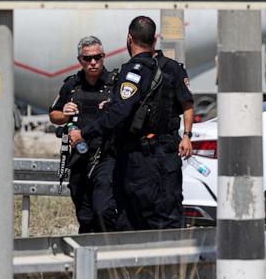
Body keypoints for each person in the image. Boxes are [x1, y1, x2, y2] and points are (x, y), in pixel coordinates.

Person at [69, 16, 195, 230]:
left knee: (133, 219)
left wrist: (84, 133)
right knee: (166, 217)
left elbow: (120, 113)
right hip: (163, 156)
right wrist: (186, 135)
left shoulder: (133, 71)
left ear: (129, 38)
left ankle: (136, 262)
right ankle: (172, 262)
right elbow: (186, 104)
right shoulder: (171, 68)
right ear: (155, 39)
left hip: (140, 158)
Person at [48, 36, 125, 233]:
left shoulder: (115, 84)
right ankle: (85, 258)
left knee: (103, 210)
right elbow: (53, 115)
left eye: (97, 57)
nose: (93, 62)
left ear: (104, 57)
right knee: (85, 216)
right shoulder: (72, 85)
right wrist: (64, 114)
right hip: (78, 159)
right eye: (87, 58)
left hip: (106, 156)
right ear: (79, 60)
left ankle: (108, 252)